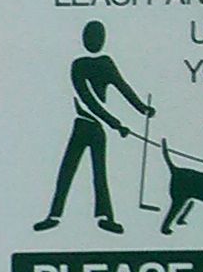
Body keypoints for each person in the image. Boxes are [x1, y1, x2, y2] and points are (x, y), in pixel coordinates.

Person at [37, 20, 152, 234]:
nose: (95, 42)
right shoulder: (78, 65)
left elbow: (123, 87)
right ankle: (54, 215)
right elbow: (87, 100)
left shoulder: (106, 63)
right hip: (84, 124)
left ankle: (106, 217)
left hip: (96, 128)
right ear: (84, 40)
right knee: (67, 170)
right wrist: (116, 124)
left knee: (99, 173)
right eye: (91, 38)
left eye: (98, 38)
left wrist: (142, 108)